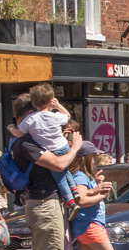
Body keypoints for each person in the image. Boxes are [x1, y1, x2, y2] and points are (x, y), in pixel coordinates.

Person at [11, 92, 83, 250]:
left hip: (44, 202)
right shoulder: (27, 144)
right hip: (44, 202)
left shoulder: (31, 139)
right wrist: (74, 147)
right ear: (30, 113)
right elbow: (60, 163)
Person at [10, 84, 81, 219]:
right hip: (62, 147)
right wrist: (75, 148)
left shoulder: (31, 120)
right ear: (50, 101)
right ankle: (73, 193)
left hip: (52, 151)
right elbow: (59, 165)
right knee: (63, 171)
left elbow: (19, 132)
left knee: (61, 175)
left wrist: (12, 129)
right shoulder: (52, 116)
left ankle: (71, 200)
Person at [67, 142, 114, 250]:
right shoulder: (80, 176)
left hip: (88, 224)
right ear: (87, 158)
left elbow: (86, 194)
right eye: (93, 156)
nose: (95, 159)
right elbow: (80, 201)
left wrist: (96, 186)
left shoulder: (84, 176)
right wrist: (100, 193)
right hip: (89, 224)